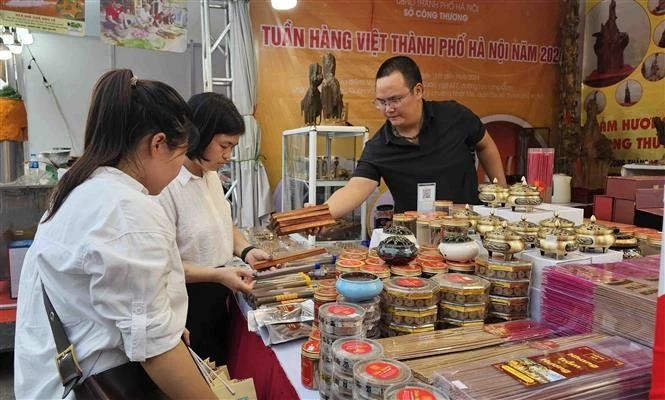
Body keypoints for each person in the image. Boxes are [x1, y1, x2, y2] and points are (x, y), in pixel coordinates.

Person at [14, 70, 214, 399]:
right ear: (158, 144)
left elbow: (117, 302)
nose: (179, 169)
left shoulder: (82, 188)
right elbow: (155, 349)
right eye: (180, 156)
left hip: (51, 377)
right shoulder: (126, 210)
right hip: (93, 384)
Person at [157, 92, 271, 365]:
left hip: (220, 290)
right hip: (188, 302)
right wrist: (218, 275)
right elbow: (165, 264)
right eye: (224, 145)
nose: (228, 155)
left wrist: (247, 250)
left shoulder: (210, 175)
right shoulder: (167, 186)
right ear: (200, 134)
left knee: (222, 370)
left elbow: (223, 223)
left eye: (233, 147)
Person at [325, 56, 507, 217]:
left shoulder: (454, 116)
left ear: (418, 91)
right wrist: (320, 214)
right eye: (381, 102)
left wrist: (502, 194)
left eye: (395, 100)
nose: (388, 109)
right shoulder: (379, 146)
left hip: (467, 229)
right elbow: (356, 187)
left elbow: (485, 145)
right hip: (415, 240)